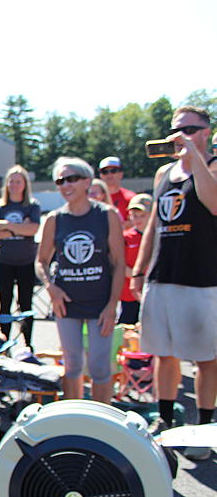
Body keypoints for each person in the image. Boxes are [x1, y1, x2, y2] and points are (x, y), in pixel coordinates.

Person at [132, 105, 216, 460]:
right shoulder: (164, 172)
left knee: (206, 358)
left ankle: (205, 428)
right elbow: (153, 223)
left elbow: (213, 203)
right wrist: (139, 269)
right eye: (176, 130)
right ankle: (165, 421)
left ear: (206, 132)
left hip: (201, 277)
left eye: (190, 129)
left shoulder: (211, 165)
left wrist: (195, 155)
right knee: (163, 354)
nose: (181, 135)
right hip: (163, 275)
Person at [36, 157, 124, 403]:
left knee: (99, 368)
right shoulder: (55, 219)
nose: (66, 185)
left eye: (72, 178)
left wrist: (111, 305)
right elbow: (41, 260)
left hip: (100, 303)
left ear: (87, 181)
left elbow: (118, 263)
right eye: (60, 181)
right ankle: (74, 419)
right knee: (72, 366)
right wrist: (50, 287)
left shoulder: (106, 215)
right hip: (67, 304)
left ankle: (101, 422)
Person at [0, 165, 41, 348]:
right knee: (5, 303)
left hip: (25, 260)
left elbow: (33, 229)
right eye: (11, 181)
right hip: (4, 261)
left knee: (26, 304)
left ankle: (28, 344)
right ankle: (4, 344)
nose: (14, 185)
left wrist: (6, 226)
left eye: (18, 181)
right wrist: (18, 229)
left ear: (25, 184)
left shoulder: (32, 206)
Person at [118, 194, 151, 325]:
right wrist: (137, 277)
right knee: (128, 327)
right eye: (134, 216)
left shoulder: (158, 236)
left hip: (151, 290)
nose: (138, 219)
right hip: (130, 293)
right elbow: (119, 264)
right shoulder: (126, 237)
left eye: (142, 216)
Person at [98, 156, 135, 223]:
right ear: (101, 175)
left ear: (121, 174)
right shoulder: (95, 198)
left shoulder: (131, 198)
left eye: (113, 171)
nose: (109, 174)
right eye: (105, 172)